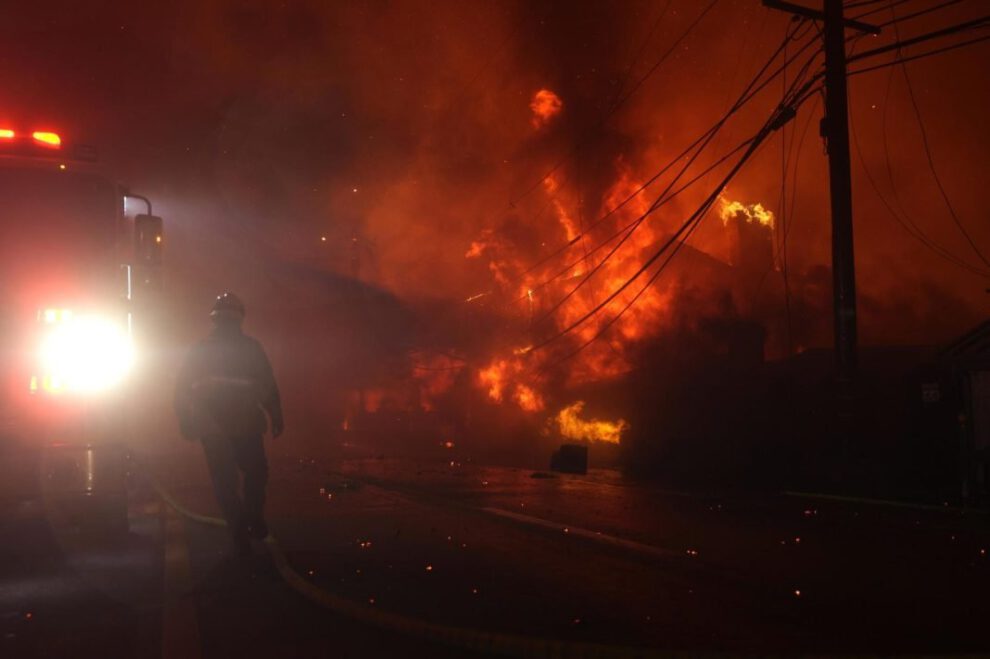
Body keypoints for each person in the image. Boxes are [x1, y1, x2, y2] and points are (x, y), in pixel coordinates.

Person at [174, 292, 284, 555]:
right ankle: (252, 519)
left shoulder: (200, 350)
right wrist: (276, 414)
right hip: (245, 424)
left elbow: (181, 390)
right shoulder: (251, 348)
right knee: (255, 473)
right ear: (239, 318)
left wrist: (185, 421)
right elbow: (267, 384)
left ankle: (240, 530)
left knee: (224, 482)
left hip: (213, 428)